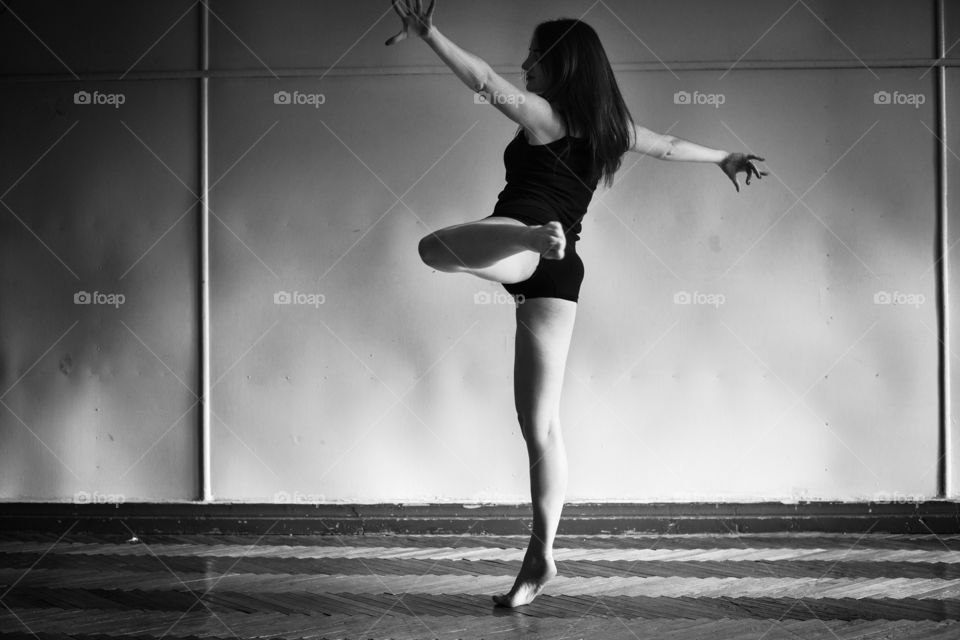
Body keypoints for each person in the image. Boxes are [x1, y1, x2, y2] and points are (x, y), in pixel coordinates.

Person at [386, 0, 767, 607]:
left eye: (534, 57)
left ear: (558, 66)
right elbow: (666, 145)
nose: (525, 65)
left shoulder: (542, 117)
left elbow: (483, 80)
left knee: (433, 249)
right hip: (560, 275)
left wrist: (431, 35)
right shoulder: (611, 131)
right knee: (540, 428)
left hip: (526, 243)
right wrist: (723, 156)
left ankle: (529, 235)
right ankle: (540, 555)